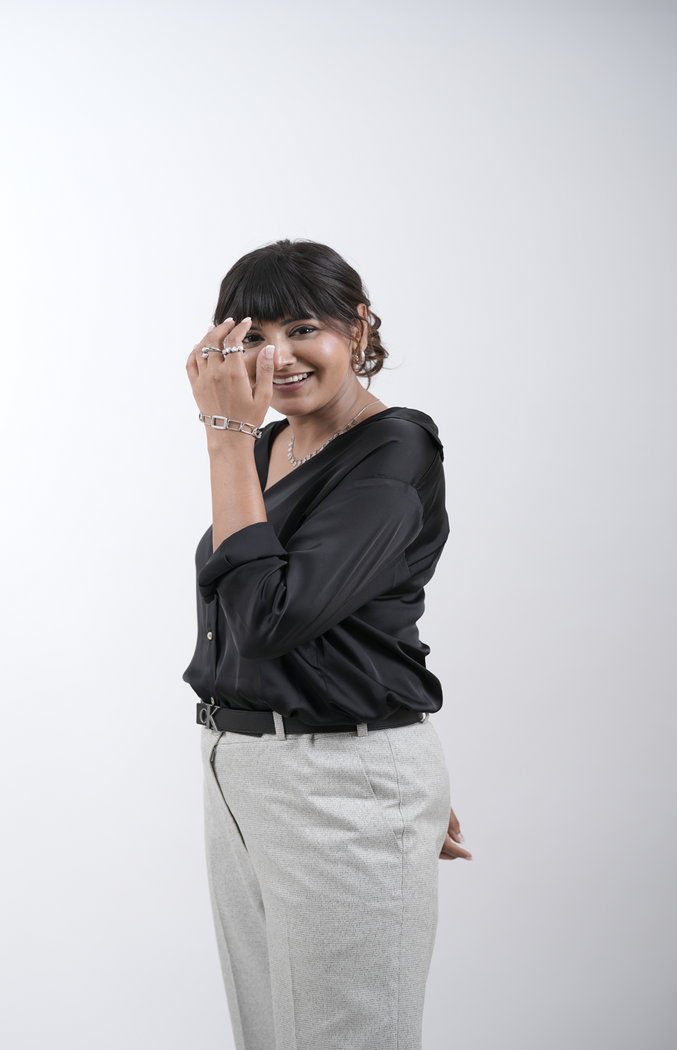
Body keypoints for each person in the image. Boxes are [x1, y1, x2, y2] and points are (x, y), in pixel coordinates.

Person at [184, 239, 470, 1050]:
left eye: (303, 327)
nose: (277, 357)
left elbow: (273, 616)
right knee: (270, 1035)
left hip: (338, 779)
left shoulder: (393, 450)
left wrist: (221, 436)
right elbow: (356, 625)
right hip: (242, 773)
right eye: (254, 338)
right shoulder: (271, 444)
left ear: (358, 326)